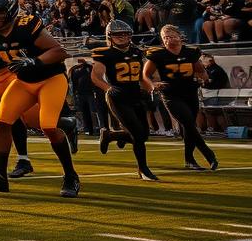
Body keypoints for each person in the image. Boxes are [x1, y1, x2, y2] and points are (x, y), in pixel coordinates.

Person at [0, 0, 80, 198]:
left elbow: (59, 51)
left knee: (48, 125)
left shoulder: (26, 26)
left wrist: (34, 61)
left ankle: (70, 176)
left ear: (11, 11)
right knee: (3, 122)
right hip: (23, 82)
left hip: (50, 79)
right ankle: (0, 176)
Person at [92, 19, 160, 181]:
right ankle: (143, 169)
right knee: (137, 134)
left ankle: (110, 135)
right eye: (117, 34)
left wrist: (151, 88)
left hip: (135, 94)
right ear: (110, 36)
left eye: (125, 34)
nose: (122, 37)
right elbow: (96, 76)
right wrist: (108, 88)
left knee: (144, 135)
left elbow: (141, 77)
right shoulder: (105, 53)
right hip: (117, 96)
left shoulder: (136, 52)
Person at [144, 25, 218, 171]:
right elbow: (146, 75)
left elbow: (201, 71)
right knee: (189, 124)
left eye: (170, 36)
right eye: (165, 37)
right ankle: (209, 154)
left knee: (188, 126)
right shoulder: (158, 54)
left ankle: (189, 160)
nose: (167, 39)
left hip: (190, 92)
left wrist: (203, 78)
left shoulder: (190, 52)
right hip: (171, 94)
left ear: (179, 36)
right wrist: (153, 84)